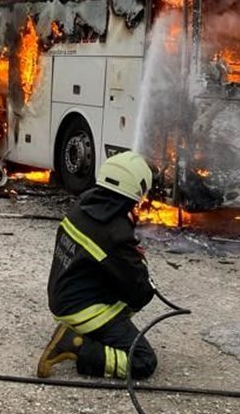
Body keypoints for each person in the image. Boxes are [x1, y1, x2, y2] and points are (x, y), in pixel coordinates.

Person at [36, 152, 158, 381]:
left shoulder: (83, 206)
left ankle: (83, 332)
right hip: (83, 309)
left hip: (61, 298)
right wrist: (139, 263)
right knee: (143, 362)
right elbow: (140, 292)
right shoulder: (115, 234)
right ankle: (75, 344)